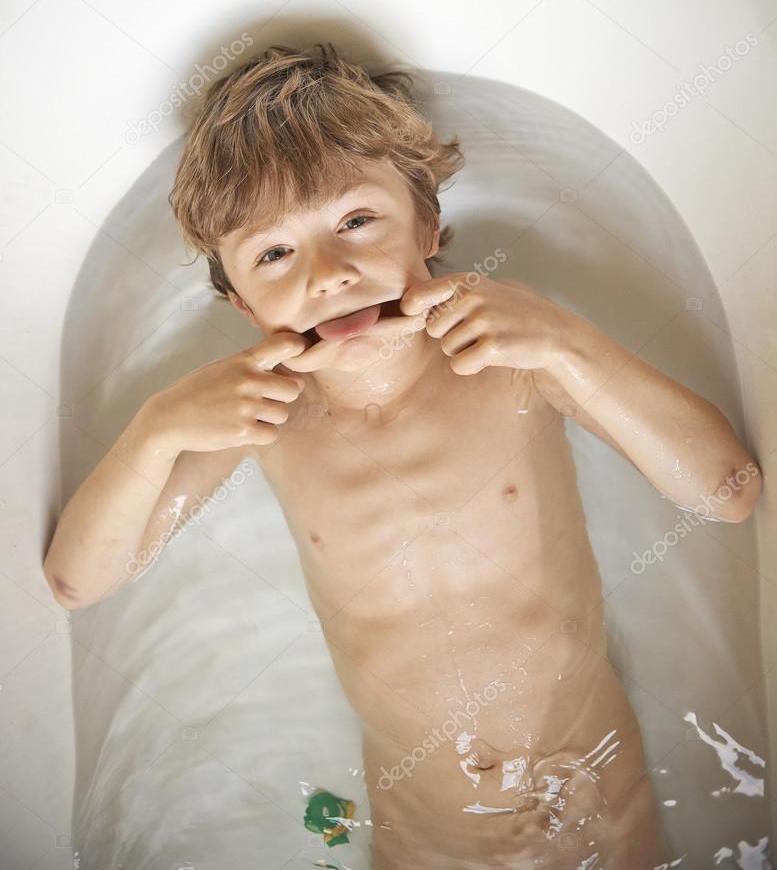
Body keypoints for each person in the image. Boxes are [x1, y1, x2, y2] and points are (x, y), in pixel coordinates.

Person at [44, 42, 763, 868]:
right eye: (274, 254)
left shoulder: (515, 360)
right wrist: (159, 427)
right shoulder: (264, 417)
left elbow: (728, 490)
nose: (329, 274)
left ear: (427, 224)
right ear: (241, 302)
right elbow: (77, 581)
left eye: (356, 221)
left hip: (596, 791)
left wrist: (568, 341)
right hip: (423, 832)